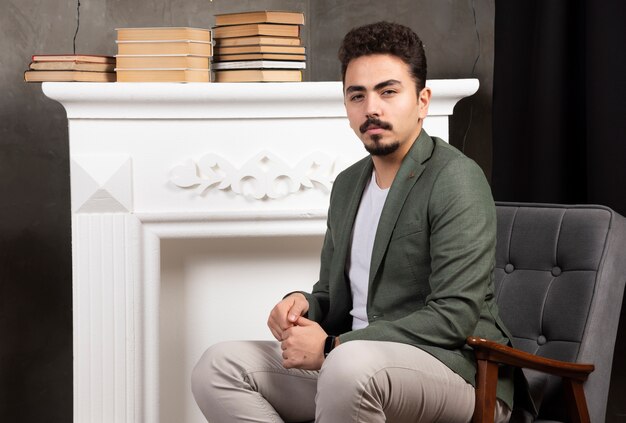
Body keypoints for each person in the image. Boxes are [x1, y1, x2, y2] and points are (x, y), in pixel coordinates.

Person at [191, 21, 514, 423]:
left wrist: (330, 346)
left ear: (423, 100)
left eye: (388, 91)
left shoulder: (455, 179)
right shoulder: (348, 184)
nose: (371, 108)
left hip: (460, 374)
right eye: (357, 95)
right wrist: (303, 305)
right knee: (218, 367)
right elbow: (332, 295)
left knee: (347, 365)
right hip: (355, 365)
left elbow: (453, 317)